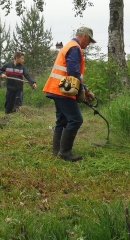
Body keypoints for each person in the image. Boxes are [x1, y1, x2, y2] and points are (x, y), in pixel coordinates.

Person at [43, 27, 96, 162]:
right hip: (63, 90)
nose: (88, 44)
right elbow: (73, 72)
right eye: (89, 41)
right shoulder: (74, 48)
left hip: (57, 88)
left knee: (62, 120)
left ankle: (57, 150)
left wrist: (85, 89)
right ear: (84, 36)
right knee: (76, 119)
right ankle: (65, 152)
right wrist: (83, 89)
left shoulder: (69, 46)